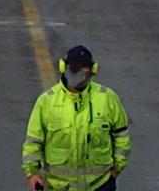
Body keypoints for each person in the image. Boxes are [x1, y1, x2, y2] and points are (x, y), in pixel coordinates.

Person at [23, 45, 130, 191]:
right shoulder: (46, 102)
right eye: (74, 69)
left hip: (100, 185)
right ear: (63, 67)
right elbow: (33, 142)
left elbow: (121, 137)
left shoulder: (107, 98)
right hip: (57, 187)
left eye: (82, 69)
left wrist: (115, 171)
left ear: (92, 71)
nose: (77, 73)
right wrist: (32, 174)